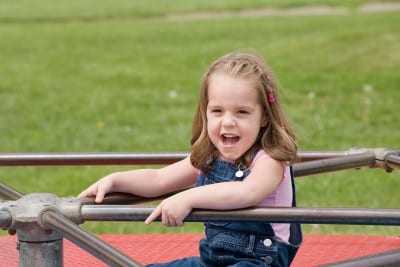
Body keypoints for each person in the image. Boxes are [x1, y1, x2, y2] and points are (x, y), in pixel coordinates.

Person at [78, 51, 302, 266]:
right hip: (212, 262)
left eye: (242, 112)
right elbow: (159, 180)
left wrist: (188, 198)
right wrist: (116, 180)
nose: (228, 122)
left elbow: (247, 192)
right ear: (205, 113)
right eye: (217, 111)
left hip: (259, 262)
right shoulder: (211, 158)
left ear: (264, 117)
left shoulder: (269, 161)